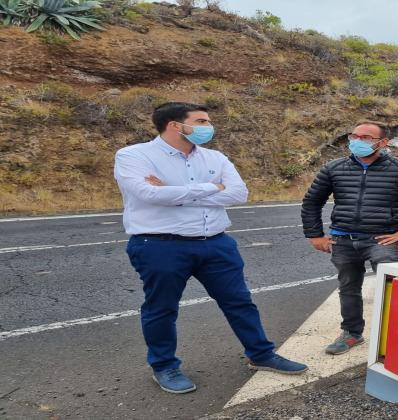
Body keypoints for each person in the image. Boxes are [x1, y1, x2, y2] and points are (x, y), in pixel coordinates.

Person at [114, 102, 307, 394]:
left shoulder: (214, 156)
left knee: (239, 301)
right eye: (201, 121)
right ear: (175, 125)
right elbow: (149, 194)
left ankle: (261, 354)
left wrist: (174, 192)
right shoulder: (133, 155)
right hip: (160, 245)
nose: (208, 127)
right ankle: (164, 366)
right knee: (161, 308)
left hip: (216, 243)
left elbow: (239, 194)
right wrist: (212, 188)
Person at [301, 120, 398, 355]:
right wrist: (315, 235)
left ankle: (397, 337)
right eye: (354, 136)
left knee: (394, 288)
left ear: (383, 142)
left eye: (365, 137)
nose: (357, 141)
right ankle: (351, 334)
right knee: (348, 287)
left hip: (382, 240)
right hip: (343, 240)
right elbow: (312, 202)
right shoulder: (333, 168)